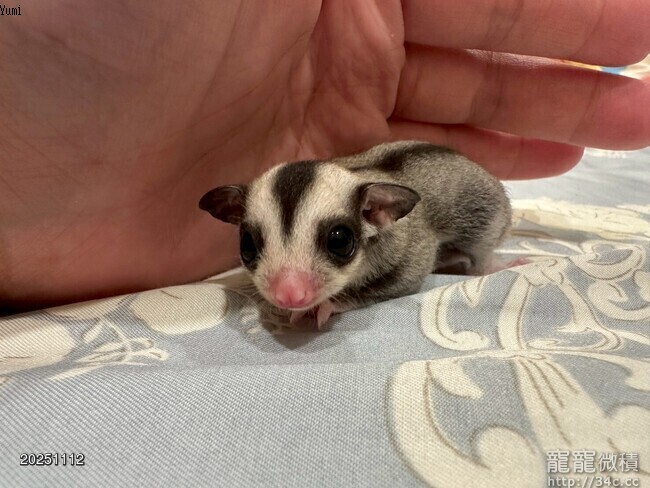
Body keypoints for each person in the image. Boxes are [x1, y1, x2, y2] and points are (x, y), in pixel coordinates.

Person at [1, 0, 649, 311]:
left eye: (336, 241)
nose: (287, 289)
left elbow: (414, 259)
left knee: (476, 236)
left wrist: (350, 299)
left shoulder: (396, 227)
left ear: (377, 214)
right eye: (255, 245)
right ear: (234, 214)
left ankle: (481, 257)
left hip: (465, 204)